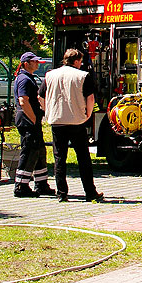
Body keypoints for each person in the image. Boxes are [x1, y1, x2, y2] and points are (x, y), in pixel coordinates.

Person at [40, 48, 103, 202]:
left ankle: (62, 193)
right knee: (83, 157)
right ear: (75, 61)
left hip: (57, 121)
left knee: (59, 157)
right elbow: (90, 98)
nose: (81, 64)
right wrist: (87, 115)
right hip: (77, 121)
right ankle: (90, 192)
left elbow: (40, 96)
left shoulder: (50, 75)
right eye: (80, 61)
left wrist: (48, 112)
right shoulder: (82, 76)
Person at [13, 51, 55, 197]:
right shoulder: (24, 79)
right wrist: (33, 119)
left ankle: (41, 183)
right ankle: (21, 186)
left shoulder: (28, 78)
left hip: (32, 121)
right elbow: (23, 101)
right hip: (27, 121)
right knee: (29, 151)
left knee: (38, 150)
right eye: (34, 61)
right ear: (26, 63)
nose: (37, 63)